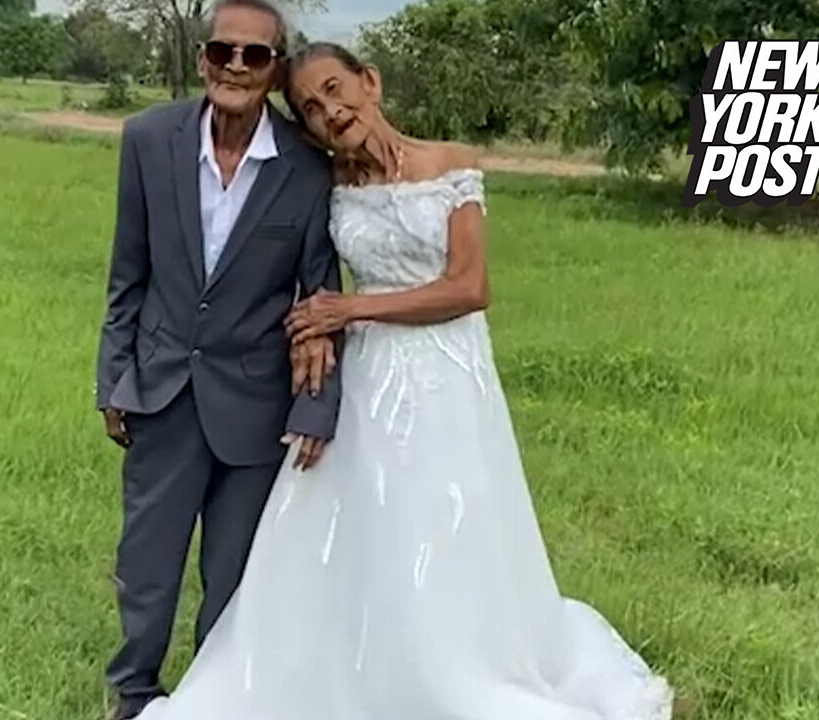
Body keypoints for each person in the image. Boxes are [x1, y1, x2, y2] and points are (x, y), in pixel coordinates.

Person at [132, 42, 677, 720]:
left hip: (450, 372)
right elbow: (302, 273)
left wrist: (350, 308)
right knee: (346, 525)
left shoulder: (451, 166)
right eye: (312, 107)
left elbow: (469, 287)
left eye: (337, 89)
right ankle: (335, 667)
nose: (331, 110)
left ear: (371, 82)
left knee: (446, 518)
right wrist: (314, 335)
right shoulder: (325, 183)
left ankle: (454, 666)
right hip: (369, 379)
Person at [94, 2, 345, 718]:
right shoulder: (147, 139)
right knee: (147, 562)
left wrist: (315, 406)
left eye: (255, 56)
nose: (236, 66)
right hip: (161, 389)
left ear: (275, 70)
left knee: (232, 574)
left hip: (255, 404)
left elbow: (320, 294)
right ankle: (134, 694)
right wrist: (114, 375)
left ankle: (212, 697)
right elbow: (127, 273)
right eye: (222, 51)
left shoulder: (306, 166)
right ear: (203, 58)